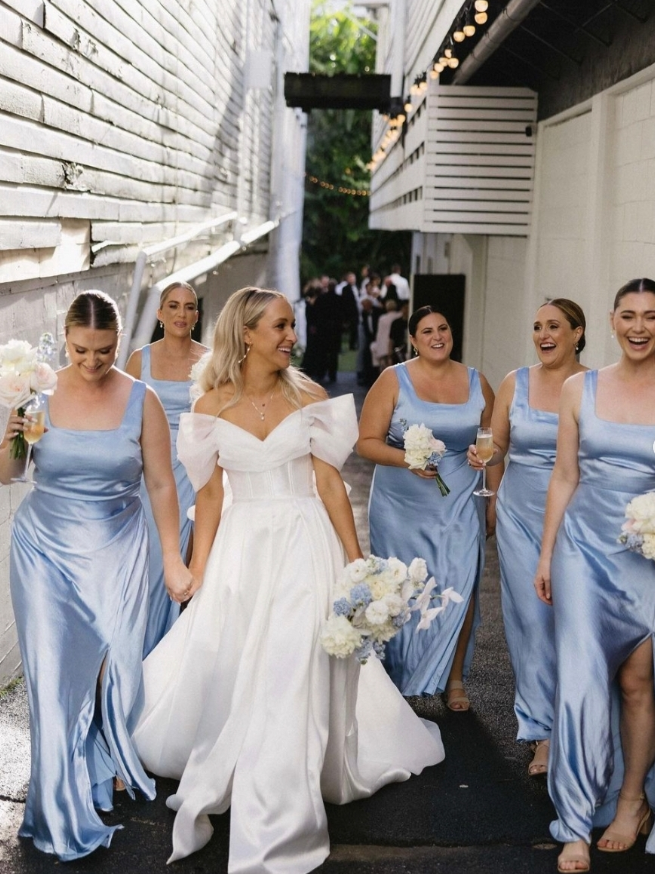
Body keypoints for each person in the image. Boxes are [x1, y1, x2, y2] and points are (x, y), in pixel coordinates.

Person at [132, 287, 444, 873]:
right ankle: (252, 764)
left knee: (292, 661)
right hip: (242, 549)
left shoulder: (311, 397)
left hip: (305, 542)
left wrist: (358, 564)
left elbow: (330, 485)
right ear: (246, 333)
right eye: (279, 326)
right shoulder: (208, 406)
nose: (291, 336)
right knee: (240, 660)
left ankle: (282, 794)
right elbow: (210, 497)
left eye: (291, 326)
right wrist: (197, 569)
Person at [2, 290, 193, 861]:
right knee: (53, 675)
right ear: (65, 339)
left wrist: (173, 558)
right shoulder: (37, 393)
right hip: (44, 550)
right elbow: (10, 474)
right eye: (81, 350)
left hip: (119, 547)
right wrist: (8, 434)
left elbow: (160, 483)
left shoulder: (142, 399)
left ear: (118, 341)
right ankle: (56, 800)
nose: (92, 361)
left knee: (115, 666)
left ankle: (101, 763)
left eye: (105, 350)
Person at [534, 279, 655, 873]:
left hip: (647, 557)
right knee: (580, 682)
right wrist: (546, 554)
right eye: (629, 315)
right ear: (611, 322)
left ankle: (631, 802)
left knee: (636, 680)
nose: (640, 327)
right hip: (582, 550)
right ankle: (576, 824)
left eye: (651, 316)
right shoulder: (579, 388)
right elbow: (564, 475)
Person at [468, 299, 587, 778]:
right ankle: (542, 731)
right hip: (519, 518)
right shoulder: (515, 382)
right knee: (533, 623)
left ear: (578, 333)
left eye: (554, 326)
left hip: (577, 520)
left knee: (573, 624)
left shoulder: (594, 386)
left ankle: (579, 724)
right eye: (537, 326)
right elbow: (497, 444)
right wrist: (486, 460)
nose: (543, 335)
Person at [357, 306, 499, 705]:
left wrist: (492, 499)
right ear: (413, 340)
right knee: (403, 588)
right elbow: (365, 442)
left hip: (461, 500)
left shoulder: (477, 382)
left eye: (443, 328)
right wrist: (407, 458)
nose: (437, 336)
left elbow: (493, 444)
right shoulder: (393, 379)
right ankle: (399, 674)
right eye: (427, 331)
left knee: (461, 583)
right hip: (399, 505)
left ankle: (453, 678)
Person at [125, 281, 208, 655]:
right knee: (150, 561)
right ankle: (137, 656)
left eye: (189, 306)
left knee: (188, 562)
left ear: (197, 315)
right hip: (150, 475)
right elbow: (125, 420)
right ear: (160, 313)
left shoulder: (211, 361)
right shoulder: (139, 360)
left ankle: (170, 656)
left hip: (194, 473)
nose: (181, 313)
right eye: (173, 306)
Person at [370, 298, 401, 372]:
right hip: (394, 343)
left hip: (383, 344)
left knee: (384, 366)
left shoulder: (382, 318)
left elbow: (379, 333)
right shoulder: (399, 315)